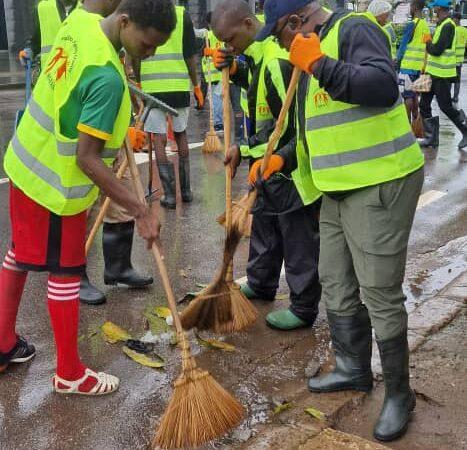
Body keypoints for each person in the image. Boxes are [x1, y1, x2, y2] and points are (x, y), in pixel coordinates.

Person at [258, 0, 424, 441]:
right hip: (336, 189)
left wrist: (321, 64)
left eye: (277, 34)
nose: (278, 45)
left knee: (379, 291)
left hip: (381, 180)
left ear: (295, 22)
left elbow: (382, 86)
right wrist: (282, 157)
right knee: (334, 279)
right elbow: (320, 128)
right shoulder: (306, 58)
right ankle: (353, 367)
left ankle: (399, 394)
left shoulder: (354, 29)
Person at [0, 0, 174, 395]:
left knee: (17, 254)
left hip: (25, 162)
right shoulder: (108, 80)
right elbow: (87, 159)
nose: (151, 53)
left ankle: (3, 344)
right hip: (56, 187)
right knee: (65, 272)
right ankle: (69, 373)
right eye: (147, 44)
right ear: (125, 21)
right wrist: (140, 208)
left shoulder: (80, 20)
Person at [211, 0, 322, 331]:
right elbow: (261, 97)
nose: (228, 46)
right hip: (266, 165)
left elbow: (289, 129)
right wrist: (236, 71)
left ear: (248, 24)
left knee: (296, 237)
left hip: (288, 169)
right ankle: (261, 283)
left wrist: (248, 150)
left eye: (230, 40)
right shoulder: (257, 57)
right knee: (264, 226)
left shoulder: (275, 62)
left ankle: (303, 307)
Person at [77, 0, 154, 305]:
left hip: (112, 132)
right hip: (86, 135)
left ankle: (119, 267)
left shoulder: (119, 36)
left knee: (119, 200)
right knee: (83, 209)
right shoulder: (85, 22)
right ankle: (75, 275)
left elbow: (121, 75)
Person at [136, 5, 204, 209]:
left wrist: (139, 81)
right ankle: (186, 191)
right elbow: (190, 55)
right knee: (181, 133)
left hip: (152, 87)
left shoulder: (142, 12)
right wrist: (196, 84)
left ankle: (169, 196)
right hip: (178, 85)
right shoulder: (181, 14)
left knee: (159, 138)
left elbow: (135, 54)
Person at [420, 0, 467, 150]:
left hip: (441, 75)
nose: (433, 11)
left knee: (445, 106)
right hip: (432, 73)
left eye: (434, 9)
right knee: (424, 104)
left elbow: (437, 50)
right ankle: (431, 138)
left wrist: (427, 41)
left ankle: (465, 129)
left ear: (439, 8)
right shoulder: (443, 24)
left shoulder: (447, 26)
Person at [397, 0, 431, 122]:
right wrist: (424, 66)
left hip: (407, 66)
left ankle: (407, 124)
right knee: (416, 96)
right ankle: (417, 122)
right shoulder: (425, 25)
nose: (409, 8)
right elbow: (428, 46)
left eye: (410, 6)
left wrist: (397, 59)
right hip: (420, 67)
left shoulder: (411, 25)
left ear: (415, 7)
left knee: (407, 96)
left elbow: (403, 45)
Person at [29, 0, 79, 68]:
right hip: (51, 73)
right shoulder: (43, 8)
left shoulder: (90, 8)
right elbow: (36, 40)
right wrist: (30, 50)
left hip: (81, 72)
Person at [202, 12, 224, 132]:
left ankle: (218, 124)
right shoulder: (223, 33)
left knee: (216, 99)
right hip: (220, 72)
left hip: (215, 73)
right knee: (218, 99)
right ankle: (219, 122)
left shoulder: (208, 35)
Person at [452, 12, 467, 106]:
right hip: (460, 59)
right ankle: (455, 97)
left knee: (449, 79)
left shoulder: (453, 29)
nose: (453, 20)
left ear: (456, 19)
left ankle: (447, 96)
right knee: (457, 79)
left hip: (451, 59)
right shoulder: (464, 30)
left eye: (453, 18)